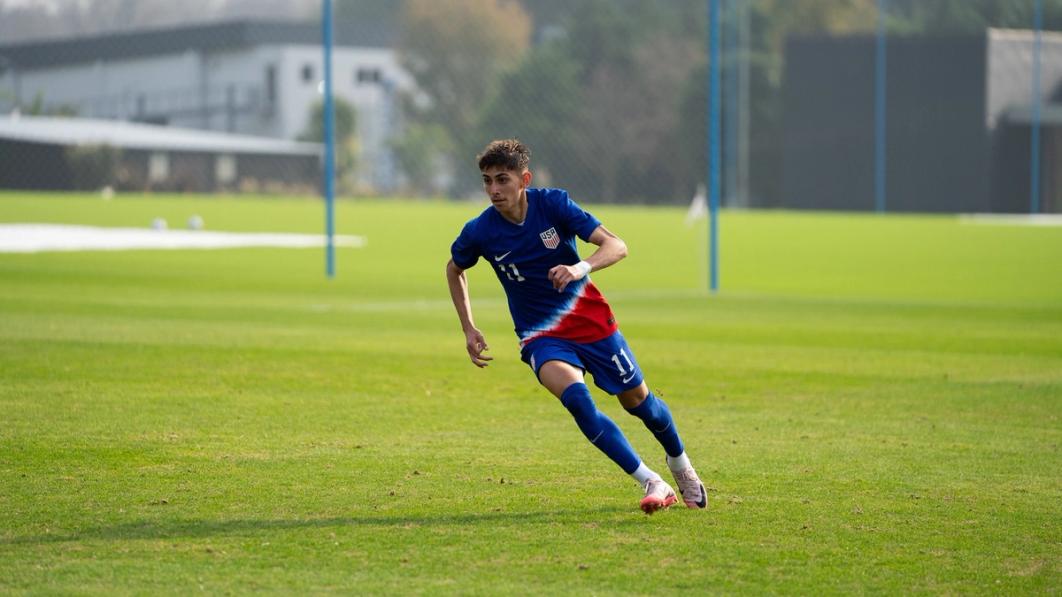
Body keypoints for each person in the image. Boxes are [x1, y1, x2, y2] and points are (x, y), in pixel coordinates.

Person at [445, 139, 707, 514]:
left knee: (641, 405)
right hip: (541, 336)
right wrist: (468, 328)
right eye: (487, 181)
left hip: (591, 324)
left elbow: (617, 246)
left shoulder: (554, 204)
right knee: (579, 403)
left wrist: (579, 267)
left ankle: (680, 465)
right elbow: (455, 269)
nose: (493, 190)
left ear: (524, 179)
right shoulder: (480, 231)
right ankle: (652, 480)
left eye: (502, 180)